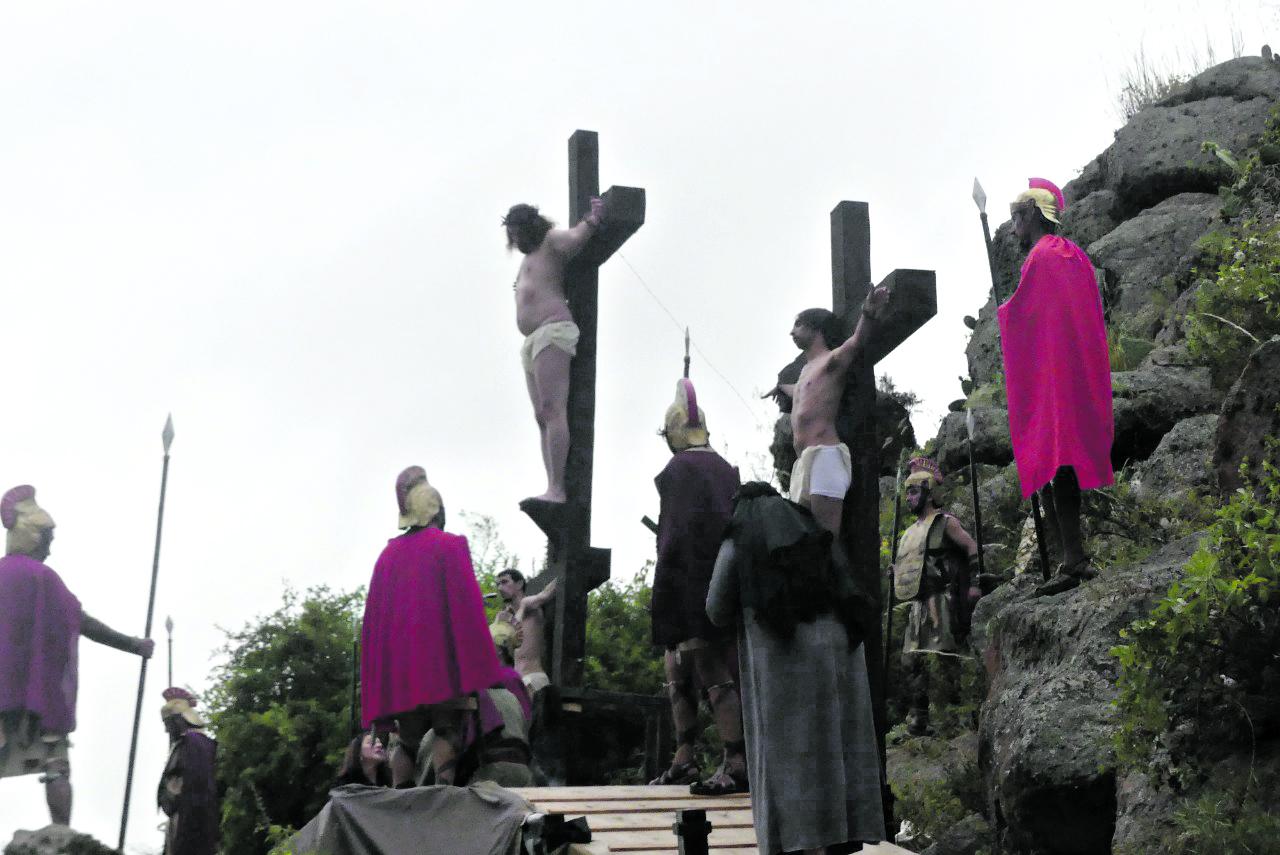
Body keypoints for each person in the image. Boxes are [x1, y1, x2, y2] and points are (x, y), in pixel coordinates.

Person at [707, 482, 883, 854]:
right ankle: (836, 838)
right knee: (837, 747)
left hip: (784, 652)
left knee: (794, 756)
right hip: (841, 647)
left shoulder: (742, 532)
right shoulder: (809, 528)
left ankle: (804, 846)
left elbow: (715, 608)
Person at [0, 484, 154, 826]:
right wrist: (133, 644)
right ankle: (60, 835)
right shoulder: (43, 577)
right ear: (33, 536)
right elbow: (81, 622)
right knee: (56, 766)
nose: (50, 551)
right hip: (35, 704)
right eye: (48, 541)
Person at [1001, 178, 1114, 596]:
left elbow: (1028, 316)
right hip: (1070, 371)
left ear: (1030, 214)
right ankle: (1072, 558)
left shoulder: (1044, 256)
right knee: (1057, 465)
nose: (1012, 227)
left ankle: (1074, 560)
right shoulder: (1071, 255)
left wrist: (1005, 316)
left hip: (1055, 376)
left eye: (1015, 217)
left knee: (1058, 463)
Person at [361, 467, 505, 787]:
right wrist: (476, 666)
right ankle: (441, 794)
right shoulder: (449, 546)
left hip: (402, 673)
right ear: (436, 511)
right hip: (441, 667)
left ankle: (401, 795)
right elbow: (466, 608)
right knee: (446, 729)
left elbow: (376, 623)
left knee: (407, 738)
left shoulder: (387, 555)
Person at [647, 378, 747, 796]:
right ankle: (685, 758)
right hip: (726, 581)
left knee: (712, 671)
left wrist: (667, 598)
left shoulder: (678, 469)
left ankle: (737, 762)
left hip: (692, 583)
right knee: (677, 669)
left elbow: (675, 537)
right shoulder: (726, 468)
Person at [503, 198, 605, 513]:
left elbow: (576, 238)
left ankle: (557, 488)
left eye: (518, 232)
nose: (515, 240)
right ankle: (551, 484)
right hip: (533, 339)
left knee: (552, 409)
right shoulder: (529, 258)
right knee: (541, 416)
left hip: (553, 330)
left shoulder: (550, 241)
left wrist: (593, 219)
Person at [777, 287, 889, 536]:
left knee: (826, 540)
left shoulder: (831, 361)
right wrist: (779, 388)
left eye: (798, 325)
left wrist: (868, 314)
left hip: (825, 456)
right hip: (803, 462)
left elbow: (856, 342)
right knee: (806, 542)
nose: (792, 332)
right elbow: (798, 390)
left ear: (816, 328)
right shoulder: (805, 371)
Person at [889, 458, 980, 736]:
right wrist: (896, 571)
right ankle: (919, 718)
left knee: (944, 659)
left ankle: (957, 717)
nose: (909, 498)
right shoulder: (908, 534)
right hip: (917, 605)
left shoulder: (945, 523)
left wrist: (975, 583)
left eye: (914, 492)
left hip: (941, 600)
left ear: (927, 492)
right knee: (911, 662)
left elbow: (971, 547)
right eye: (907, 492)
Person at [156, 688, 219, 855]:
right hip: (178, 816)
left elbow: (196, 784)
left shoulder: (196, 744)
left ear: (179, 720)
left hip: (189, 818)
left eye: (168, 724)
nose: (167, 731)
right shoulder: (185, 744)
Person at [494, 568, 559, 694]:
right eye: (498, 584)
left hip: (533, 677)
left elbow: (547, 593)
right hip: (516, 680)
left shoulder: (528, 603)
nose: (500, 588)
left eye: (504, 582)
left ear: (519, 584)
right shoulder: (505, 615)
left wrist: (522, 607)